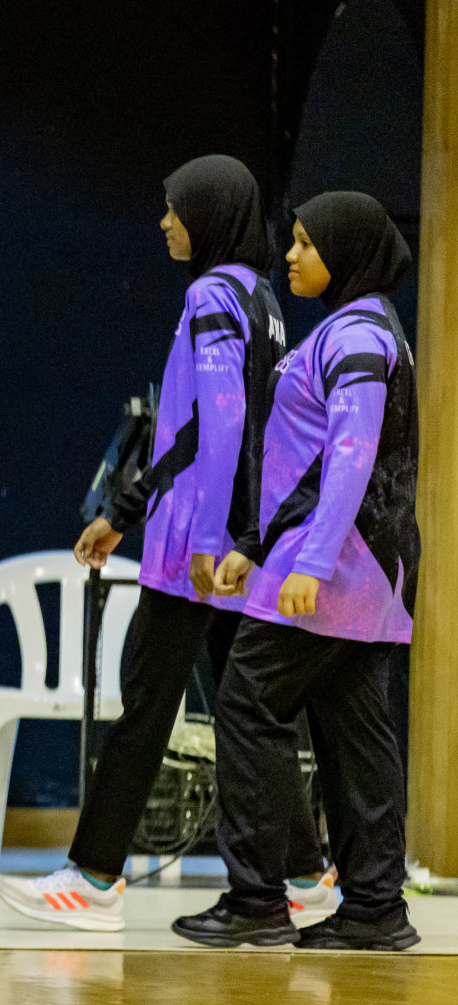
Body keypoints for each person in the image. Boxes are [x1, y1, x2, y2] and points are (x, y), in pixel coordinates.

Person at [0, 155, 334, 931]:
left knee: (147, 703)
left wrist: (205, 536)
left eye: (174, 208)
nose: (164, 222)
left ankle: (94, 878)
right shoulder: (263, 297)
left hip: (199, 550)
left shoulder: (212, 293)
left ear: (208, 213)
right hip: (228, 539)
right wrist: (130, 509)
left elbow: (214, 427)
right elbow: (207, 430)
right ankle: (308, 875)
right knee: (251, 712)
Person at [174, 192, 419, 951]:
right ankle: (376, 908)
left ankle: (256, 900)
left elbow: (350, 457)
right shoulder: (362, 330)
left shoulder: (355, 337)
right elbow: (305, 464)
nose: (291, 255)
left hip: (335, 571)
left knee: (249, 706)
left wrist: (308, 561)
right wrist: (255, 543)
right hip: (361, 572)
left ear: (344, 253)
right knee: (356, 733)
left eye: (309, 244)